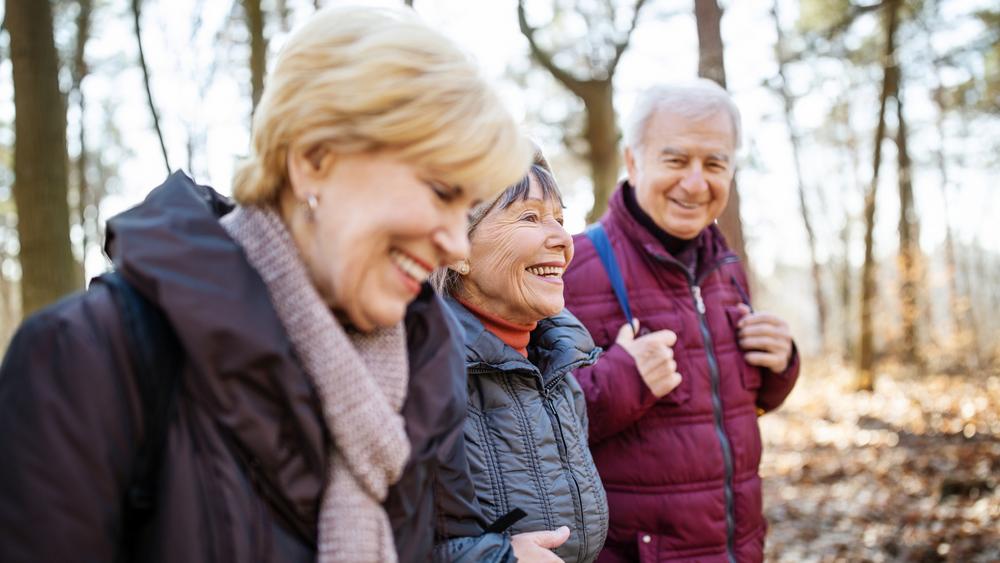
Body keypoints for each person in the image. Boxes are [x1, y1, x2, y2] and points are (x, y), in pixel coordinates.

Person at [0, 6, 535, 563]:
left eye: (466, 210)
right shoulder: (87, 356)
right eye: (441, 192)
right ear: (313, 159)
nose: (456, 245)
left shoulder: (424, 359)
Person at [562, 80, 800, 562]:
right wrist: (623, 379)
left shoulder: (726, 268)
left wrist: (781, 365)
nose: (695, 183)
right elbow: (526, 427)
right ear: (633, 162)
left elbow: (725, 403)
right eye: (675, 160)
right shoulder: (570, 269)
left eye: (715, 164)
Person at [433, 151, 609, 563]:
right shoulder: (420, 372)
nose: (563, 239)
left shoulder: (558, 365)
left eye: (560, 220)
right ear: (457, 248)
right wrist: (497, 558)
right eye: (529, 217)